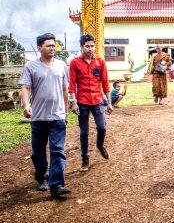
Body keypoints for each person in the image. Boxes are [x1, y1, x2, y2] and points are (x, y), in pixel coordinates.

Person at [19, 33, 71, 199]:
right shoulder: (31, 67)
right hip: (39, 118)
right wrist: (26, 105)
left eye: (53, 45)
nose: (52, 48)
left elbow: (65, 90)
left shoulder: (62, 65)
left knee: (57, 150)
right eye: (48, 45)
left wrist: (66, 111)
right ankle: (42, 178)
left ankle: (56, 185)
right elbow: (26, 88)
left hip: (57, 116)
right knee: (38, 152)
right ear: (39, 48)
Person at [69, 34, 111, 172]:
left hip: (98, 100)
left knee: (102, 127)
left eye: (92, 46)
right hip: (82, 101)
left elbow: (105, 83)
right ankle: (85, 160)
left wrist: (109, 102)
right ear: (81, 47)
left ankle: (100, 145)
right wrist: (74, 102)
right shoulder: (75, 63)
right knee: (84, 132)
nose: (90, 49)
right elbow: (72, 84)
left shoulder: (100, 62)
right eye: (87, 46)